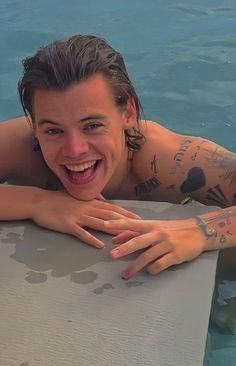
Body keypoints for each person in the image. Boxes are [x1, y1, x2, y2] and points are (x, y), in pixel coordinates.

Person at [0, 34, 235, 279]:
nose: (74, 150)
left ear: (128, 113)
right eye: (53, 131)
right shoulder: (18, 146)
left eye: (91, 126)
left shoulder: (171, 161)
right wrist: (38, 202)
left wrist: (197, 230)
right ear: (34, 125)